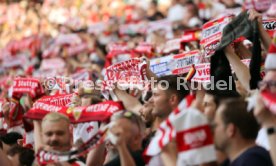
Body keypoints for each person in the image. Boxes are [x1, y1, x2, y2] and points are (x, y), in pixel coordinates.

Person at [213, 98, 273, 166]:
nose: (213, 130)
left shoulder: (252, 161)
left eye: (216, 125)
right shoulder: (237, 160)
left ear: (230, 130)